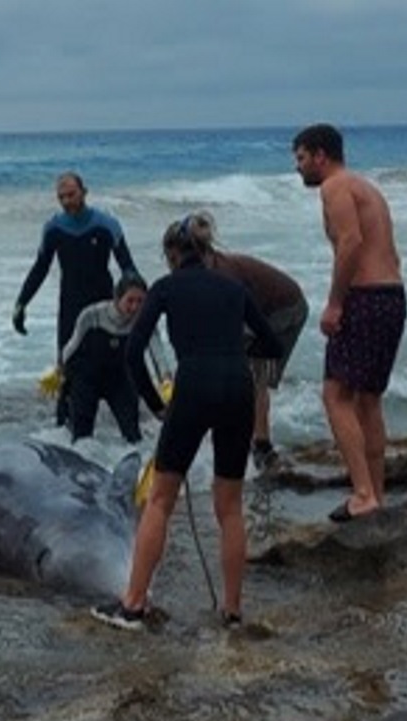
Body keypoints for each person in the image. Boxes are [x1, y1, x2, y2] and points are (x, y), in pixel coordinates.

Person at [90, 215, 288, 631]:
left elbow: (133, 350)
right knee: (229, 507)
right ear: (205, 249)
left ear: (171, 255)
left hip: (193, 386)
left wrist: (154, 404)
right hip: (238, 388)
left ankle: (133, 605)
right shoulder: (234, 288)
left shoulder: (165, 288)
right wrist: (233, 349)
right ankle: (232, 611)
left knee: (161, 499)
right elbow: (270, 343)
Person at [292, 123, 407, 522]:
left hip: (366, 298)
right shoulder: (367, 187)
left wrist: (335, 304)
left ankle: (362, 492)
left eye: (302, 158)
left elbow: (350, 242)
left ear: (321, 155)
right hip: (392, 296)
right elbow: (391, 251)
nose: (298, 167)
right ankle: (375, 493)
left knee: (335, 396)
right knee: (368, 399)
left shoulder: (335, 187)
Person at [175, 211, 308, 470]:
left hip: (284, 311)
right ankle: (239, 435)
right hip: (260, 309)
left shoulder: (223, 275)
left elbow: (237, 323)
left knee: (254, 375)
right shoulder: (207, 266)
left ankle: (261, 443)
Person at [12, 171, 141, 425]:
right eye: (61, 197)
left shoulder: (106, 224)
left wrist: (136, 303)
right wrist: (21, 303)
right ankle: (64, 433)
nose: (67, 201)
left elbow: (127, 267)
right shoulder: (53, 229)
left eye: (71, 195)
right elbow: (40, 268)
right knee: (68, 370)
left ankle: (131, 428)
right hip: (70, 307)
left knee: (117, 367)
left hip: (105, 308)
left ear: (84, 192)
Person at [58, 275, 165, 444]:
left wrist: (166, 381)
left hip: (120, 379)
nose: (135, 307)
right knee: (82, 439)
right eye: (130, 300)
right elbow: (71, 348)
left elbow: (158, 354)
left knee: (134, 437)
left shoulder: (145, 319)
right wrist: (60, 375)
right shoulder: (92, 314)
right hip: (87, 378)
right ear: (117, 298)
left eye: (140, 301)